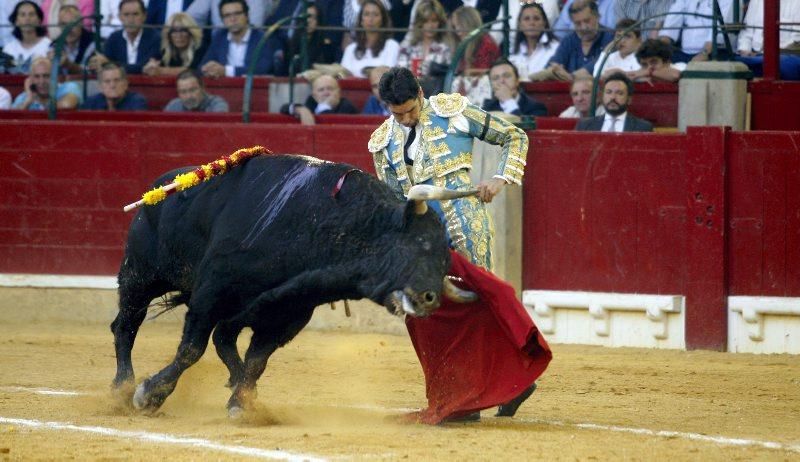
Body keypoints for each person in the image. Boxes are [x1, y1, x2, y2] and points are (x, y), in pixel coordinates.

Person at [368, 66, 534, 422]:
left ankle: (510, 384)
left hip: (464, 221)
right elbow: (392, 202)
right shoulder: (381, 141)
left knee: (478, 302)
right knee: (434, 309)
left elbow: (513, 136)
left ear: (421, 94)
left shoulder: (452, 112)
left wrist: (500, 178)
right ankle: (461, 394)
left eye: (412, 109)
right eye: (398, 113)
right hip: (423, 236)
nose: (407, 118)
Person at [200, 0, 278, 77]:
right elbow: (202, 66)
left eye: (237, 14)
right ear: (222, 20)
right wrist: (208, 69)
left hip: (253, 88)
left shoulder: (263, 38)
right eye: (227, 15)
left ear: (247, 15)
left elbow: (263, 69)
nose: (233, 19)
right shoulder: (220, 37)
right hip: (224, 87)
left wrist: (226, 71)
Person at [546, 0, 613, 81]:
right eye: (578, 23)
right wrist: (555, 70)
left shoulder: (610, 38)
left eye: (587, 21)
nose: (583, 27)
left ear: (598, 17)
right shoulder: (568, 40)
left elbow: (599, 64)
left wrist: (571, 77)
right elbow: (553, 65)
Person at [89, 0, 161, 74]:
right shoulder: (114, 38)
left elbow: (144, 67)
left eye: (135, 14)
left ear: (144, 16)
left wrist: (109, 64)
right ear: (120, 17)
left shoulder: (155, 38)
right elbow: (103, 64)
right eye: (126, 15)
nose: (131, 20)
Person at [735, 0, 800, 81]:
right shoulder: (756, 1)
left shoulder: (797, 3)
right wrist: (744, 50)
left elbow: (796, 41)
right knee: (734, 62)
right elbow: (746, 32)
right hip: (754, 56)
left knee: (786, 64)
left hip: (784, 56)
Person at [396, 0, 450, 96]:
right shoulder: (407, 48)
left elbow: (448, 79)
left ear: (440, 23)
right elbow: (400, 76)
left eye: (434, 21)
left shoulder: (445, 49)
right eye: (426, 21)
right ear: (419, 23)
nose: (430, 26)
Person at [657, 0, 738, 63]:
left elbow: (720, 32)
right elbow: (669, 28)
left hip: (716, 54)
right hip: (684, 54)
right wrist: (659, 51)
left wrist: (704, 53)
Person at [340, 0, 400, 78]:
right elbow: (342, 75)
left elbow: (388, 74)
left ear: (382, 20)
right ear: (361, 20)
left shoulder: (392, 46)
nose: (371, 19)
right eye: (366, 14)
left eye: (375, 14)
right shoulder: (350, 49)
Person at [576, 72, 652, 132]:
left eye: (619, 93)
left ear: (629, 99)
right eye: (609, 92)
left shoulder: (642, 127)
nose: (612, 97)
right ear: (602, 96)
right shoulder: (585, 126)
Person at [278, 2, 338, 76]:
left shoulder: (326, 47)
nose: (308, 21)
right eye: (306, 17)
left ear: (319, 21)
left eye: (313, 18)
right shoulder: (290, 45)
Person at [508, 1, 559, 81]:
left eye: (536, 18)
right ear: (520, 24)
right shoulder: (512, 52)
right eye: (526, 19)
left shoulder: (556, 48)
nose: (532, 23)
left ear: (544, 23)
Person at [280, 74, 359, 125]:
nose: (326, 93)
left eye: (330, 89)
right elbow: (283, 108)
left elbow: (327, 125)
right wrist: (300, 109)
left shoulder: (346, 106)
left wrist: (325, 106)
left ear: (338, 92)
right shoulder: (312, 101)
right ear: (314, 95)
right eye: (321, 90)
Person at [482, 58, 547, 117]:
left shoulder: (536, 108)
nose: (502, 81)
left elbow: (522, 130)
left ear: (517, 80)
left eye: (507, 76)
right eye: (495, 78)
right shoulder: (486, 109)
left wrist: (508, 101)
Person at [11, 56, 81, 110]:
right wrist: (28, 101)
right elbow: (11, 118)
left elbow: (66, 105)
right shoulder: (24, 97)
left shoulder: (69, 87)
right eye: (37, 77)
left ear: (56, 77)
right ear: (31, 79)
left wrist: (42, 104)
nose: (42, 81)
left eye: (46, 76)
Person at [448, 5, 499, 76]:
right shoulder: (460, 42)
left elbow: (488, 71)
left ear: (470, 23)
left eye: (460, 26)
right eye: (455, 26)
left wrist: (468, 72)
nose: (457, 31)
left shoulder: (486, 43)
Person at [3, 0, 52, 74]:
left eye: (31, 14)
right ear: (16, 21)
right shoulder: (9, 49)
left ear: (39, 20)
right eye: (23, 15)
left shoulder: (49, 46)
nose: (27, 18)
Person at [49, 4, 96, 75]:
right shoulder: (54, 46)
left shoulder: (94, 43)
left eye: (72, 24)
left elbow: (93, 73)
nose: (68, 29)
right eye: (64, 24)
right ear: (58, 25)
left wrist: (69, 65)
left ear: (81, 23)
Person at [81, 61, 148, 110]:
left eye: (117, 80)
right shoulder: (91, 103)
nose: (112, 85)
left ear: (125, 84)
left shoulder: (136, 102)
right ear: (100, 87)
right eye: (107, 81)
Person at [164, 68, 229, 111]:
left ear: (202, 88)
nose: (188, 96)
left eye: (192, 90)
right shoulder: (173, 106)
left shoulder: (217, 104)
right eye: (183, 92)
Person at [186, 0, 267, 34]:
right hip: (219, 43)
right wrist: (198, 37)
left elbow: (255, 25)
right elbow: (191, 16)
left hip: (250, 43)